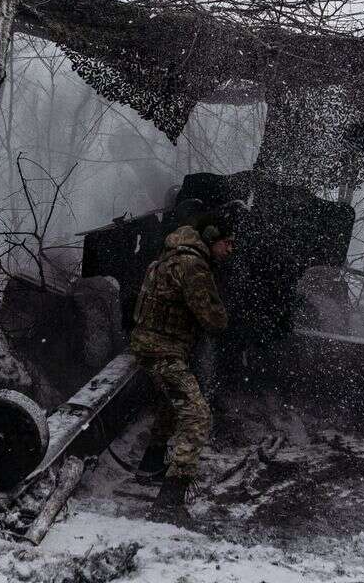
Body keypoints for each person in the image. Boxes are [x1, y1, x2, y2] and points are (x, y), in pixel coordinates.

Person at [129, 207, 236, 524]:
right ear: (211, 238)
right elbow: (213, 320)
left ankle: (150, 464)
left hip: (152, 345)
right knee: (197, 414)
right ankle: (169, 503)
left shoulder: (171, 254)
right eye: (227, 243)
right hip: (164, 351)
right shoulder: (193, 266)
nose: (230, 250)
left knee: (170, 403)